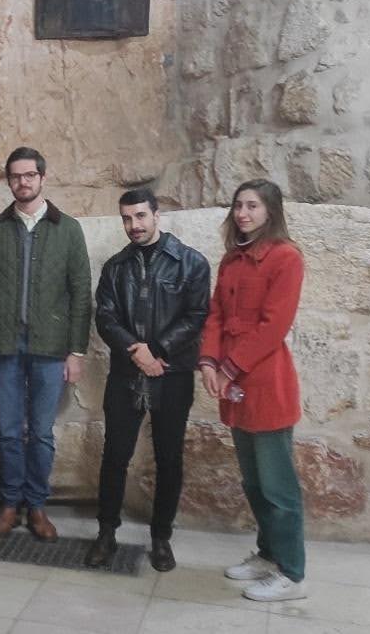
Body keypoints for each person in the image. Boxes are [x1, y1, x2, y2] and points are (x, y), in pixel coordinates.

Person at [0, 147, 92, 542]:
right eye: (15, 176)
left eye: (29, 175)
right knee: (6, 431)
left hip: (50, 349)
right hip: (3, 347)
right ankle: (9, 505)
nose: (23, 182)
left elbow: (80, 294)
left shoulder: (68, 229)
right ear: (9, 181)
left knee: (40, 432)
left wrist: (76, 351)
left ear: (42, 177)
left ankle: (36, 506)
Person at [88, 188, 210, 572]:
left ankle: (161, 538)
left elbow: (196, 316)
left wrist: (156, 351)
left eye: (140, 216)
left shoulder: (191, 263)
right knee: (114, 457)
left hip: (171, 375)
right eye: (126, 218)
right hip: (126, 374)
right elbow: (105, 317)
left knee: (169, 459)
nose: (133, 226)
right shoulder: (115, 267)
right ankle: (106, 533)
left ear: (157, 215)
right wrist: (134, 351)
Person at [199, 179, 307, 602]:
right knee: (254, 483)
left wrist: (228, 367)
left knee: (279, 486)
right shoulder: (232, 260)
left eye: (252, 206)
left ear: (270, 212)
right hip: (233, 387)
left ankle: (292, 574)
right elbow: (215, 315)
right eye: (238, 205)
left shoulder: (286, 258)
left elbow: (272, 327)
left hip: (265, 383)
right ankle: (267, 555)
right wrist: (208, 361)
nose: (243, 213)